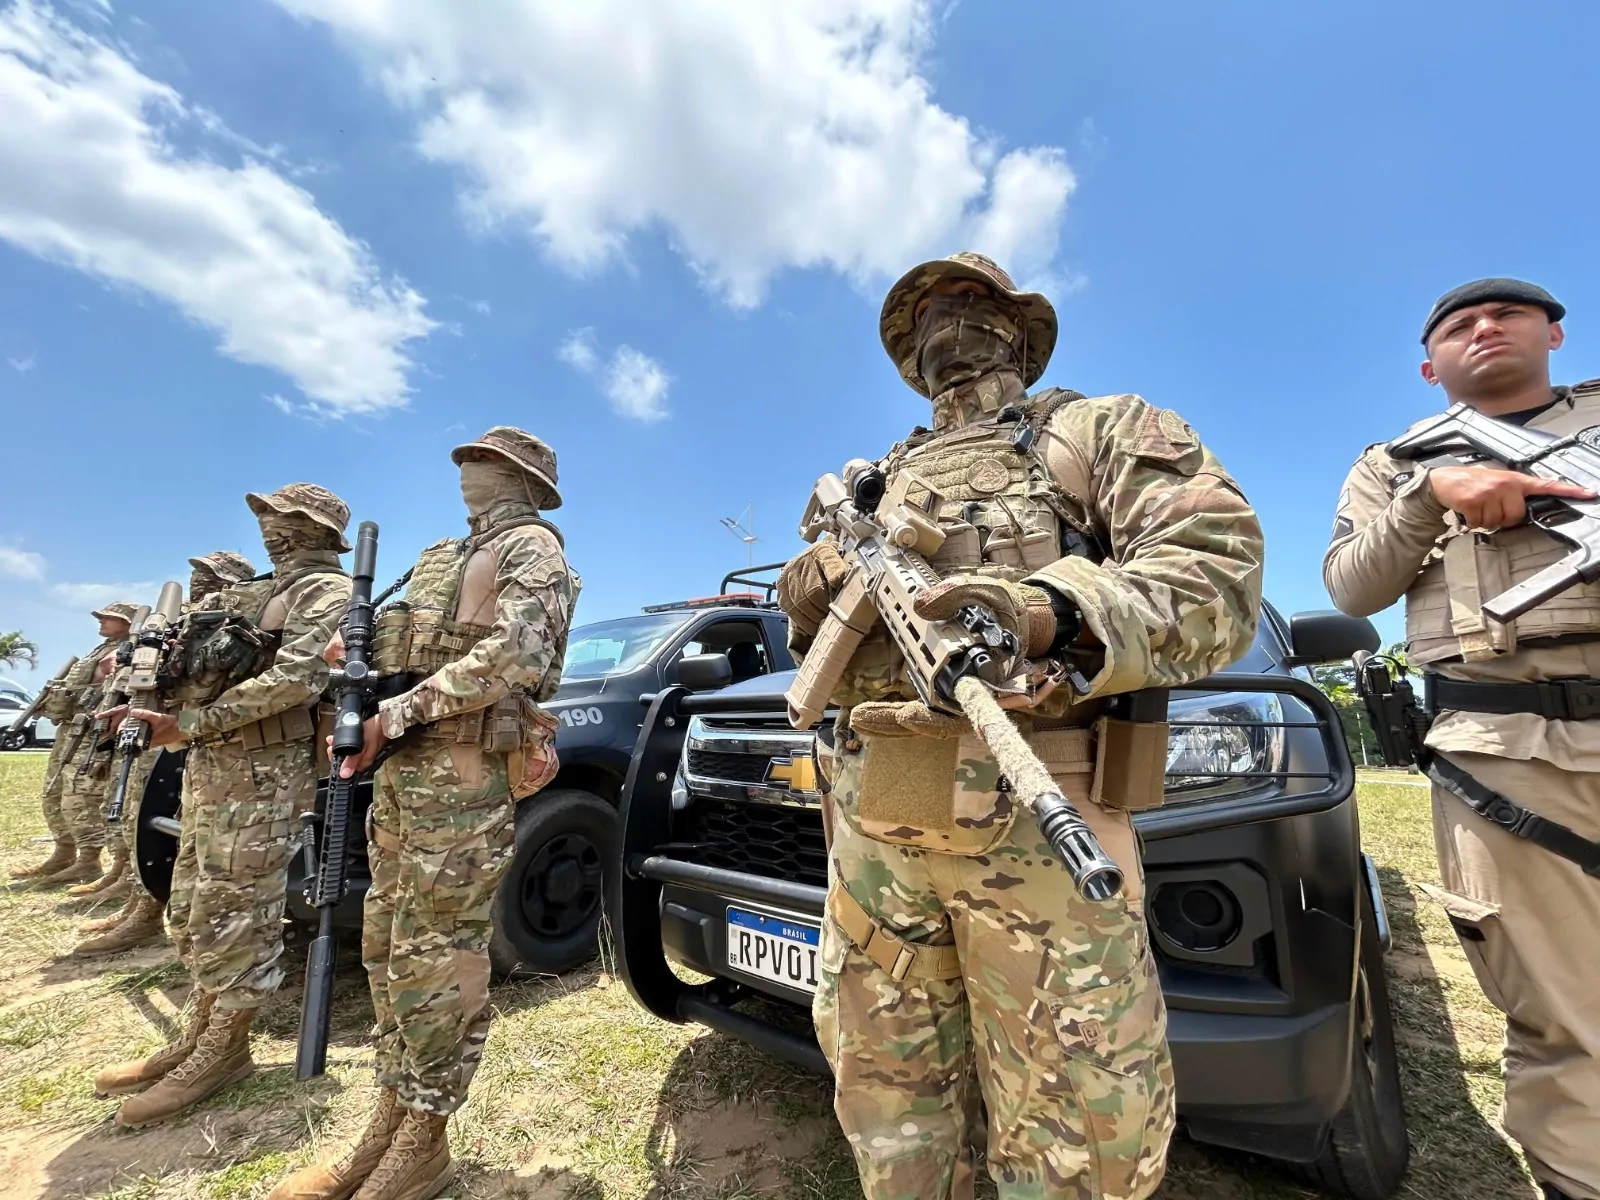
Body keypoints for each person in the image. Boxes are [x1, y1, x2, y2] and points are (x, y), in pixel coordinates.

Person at [776, 252, 1264, 1199]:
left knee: (1079, 1134)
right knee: (890, 1107)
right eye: (924, 315)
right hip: (877, 830)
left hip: (1047, 824)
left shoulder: (1098, 430)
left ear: (1020, 329)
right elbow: (801, 616)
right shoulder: (875, 481)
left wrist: (1047, 608)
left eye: (969, 303)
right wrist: (821, 580)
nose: (945, 326)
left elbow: (1218, 579)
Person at [1325, 278, 1600, 1200]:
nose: (1483, 328)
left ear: (1555, 333)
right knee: (1562, 1016)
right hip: (1507, 753)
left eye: (1507, 315)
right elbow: (1351, 590)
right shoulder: (1395, 461)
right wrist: (1426, 497)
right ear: (1428, 362)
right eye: (1457, 325)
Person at [267, 427, 578, 1200]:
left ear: (516, 474)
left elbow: (518, 657)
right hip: (408, 776)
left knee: (439, 958)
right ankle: (389, 1120)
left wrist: (396, 714)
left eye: (481, 458)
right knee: (389, 948)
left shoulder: (532, 549)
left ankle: (425, 1140)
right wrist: (356, 667)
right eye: (466, 456)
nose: (465, 466)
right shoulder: (439, 556)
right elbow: (409, 648)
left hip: (464, 773)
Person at [91, 485, 352, 1128]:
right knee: (194, 901)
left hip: (267, 772)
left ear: (312, 527)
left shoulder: (328, 594)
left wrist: (191, 721)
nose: (267, 527)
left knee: (239, 909)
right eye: (263, 517)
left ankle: (224, 1047)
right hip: (214, 766)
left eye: (280, 518)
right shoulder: (254, 591)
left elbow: (298, 677)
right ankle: (198, 1032)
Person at [72, 550, 258, 957]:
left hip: (199, 735)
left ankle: (150, 911)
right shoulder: (184, 621)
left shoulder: (240, 616)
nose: (199, 582)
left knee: (176, 831)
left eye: (209, 575)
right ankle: (139, 903)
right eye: (197, 574)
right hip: (167, 728)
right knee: (142, 817)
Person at [10, 602, 138, 887]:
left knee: (80, 796)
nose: (102, 621)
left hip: (93, 732)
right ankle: (64, 852)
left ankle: (89, 860)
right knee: (53, 792)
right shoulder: (101, 649)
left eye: (110, 617)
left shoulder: (129, 650)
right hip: (71, 727)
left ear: (129, 622)